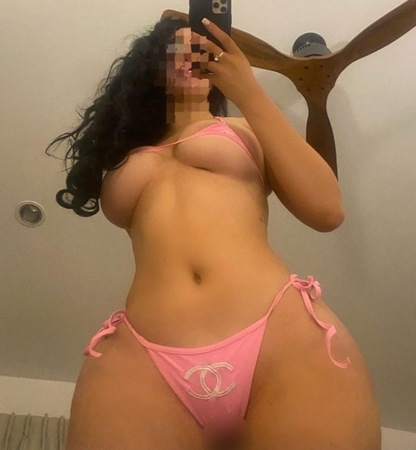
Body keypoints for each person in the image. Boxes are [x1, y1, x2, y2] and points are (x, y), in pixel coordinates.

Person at [46, 15, 381, 450]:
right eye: (179, 48)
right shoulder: (127, 155)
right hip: (143, 354)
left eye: (203, 50)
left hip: (278, 333)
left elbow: (327, 211)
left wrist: (248, 90)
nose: (192, 56)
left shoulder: (246, 128)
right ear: (154, 65)